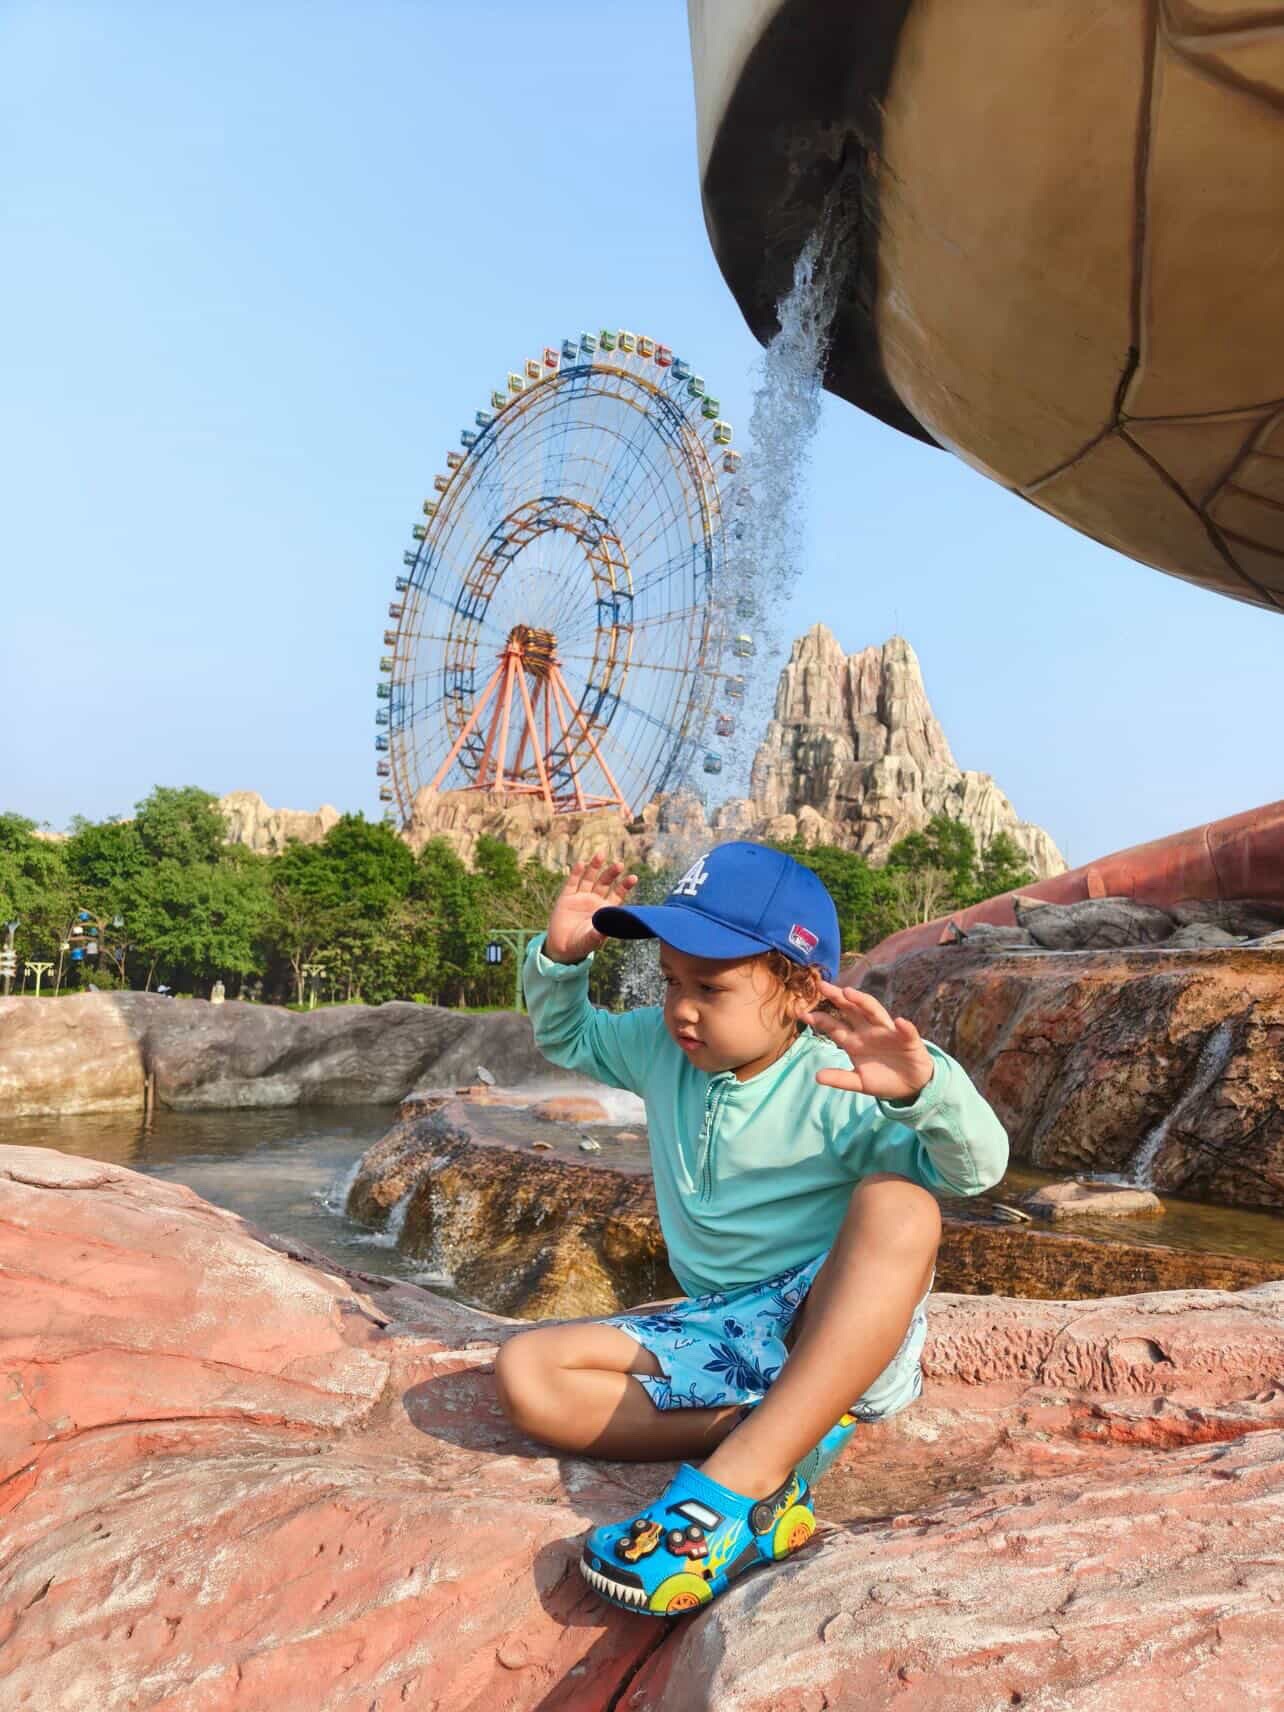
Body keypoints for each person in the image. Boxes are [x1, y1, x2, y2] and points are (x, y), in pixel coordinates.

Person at [495, 841, 1008, 1618]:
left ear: (800, 989)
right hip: (719, 1328)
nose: (681, 1007)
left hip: (824, 1327)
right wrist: (562, 964)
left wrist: (924, 1091)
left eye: (711, 986)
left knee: (903, 1204)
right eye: (671, 981)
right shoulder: (658, 1047)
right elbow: (570, 1039)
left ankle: (731, 1490)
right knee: (528, 1372)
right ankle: (777, 1434)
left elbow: (978, 1170)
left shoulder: (837, 1079)